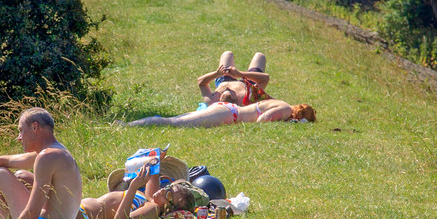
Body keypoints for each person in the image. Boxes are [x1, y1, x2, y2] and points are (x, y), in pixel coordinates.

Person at [70, 165, 213, 219]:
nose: (163, 190)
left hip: (83, 217)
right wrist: (154, 159)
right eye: (167, 187)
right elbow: (152, 173)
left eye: (168, 193)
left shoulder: (154, 208)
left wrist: (132, 187)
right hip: (78, 208)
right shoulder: (151, 198)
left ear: (169, 208)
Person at [126, 99, 316, 127]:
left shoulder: (282, 103)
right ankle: (127, 125)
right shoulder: (284, 110)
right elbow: (261, 121)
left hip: (228, 109)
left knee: (176, 120)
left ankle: (131, 124)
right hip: (230, 114)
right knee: (173, 123)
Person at [198, 51, 270, 106]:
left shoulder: (212, 101)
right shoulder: (247, 97)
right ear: (236, 99)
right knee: (260, 56)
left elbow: (201, 82)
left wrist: (216, 74)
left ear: (219, 99)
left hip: (223, 80)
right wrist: (241, 74)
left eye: (223, 92)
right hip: (247, 83)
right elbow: (265, 78)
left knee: (227, 54)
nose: (228, 88)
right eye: (232, 92)